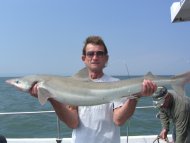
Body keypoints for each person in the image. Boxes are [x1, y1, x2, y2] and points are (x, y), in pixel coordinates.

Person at [29, 35, 157, 143]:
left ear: (106, 58)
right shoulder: (71, 85)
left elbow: (118, 119)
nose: (95, 57)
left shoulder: (116, 84)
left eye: (100, 53)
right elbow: (73, 123)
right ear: (83, 58)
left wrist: (135, 96)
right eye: (90, 53)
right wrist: (50, 97)